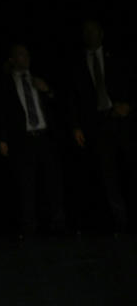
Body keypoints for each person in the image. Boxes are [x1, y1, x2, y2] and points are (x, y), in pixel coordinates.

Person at [0, 43, 66, 236]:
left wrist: (47, 90)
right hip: (23, 139)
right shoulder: (6, 83)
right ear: (12, 59)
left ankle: (57, 223)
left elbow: (59, 103)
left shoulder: (38, 78)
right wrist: (2, 138)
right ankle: (29, 227)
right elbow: (1, 112)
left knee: (52, 181)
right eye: (20, 55)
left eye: (26, 54)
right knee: (26, 184)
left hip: (44, 136)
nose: (24, 58)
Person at [69, 19, 135, 232]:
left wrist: (128, 105)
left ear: (101, 33)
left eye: (93, 30)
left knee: (130, 166)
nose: (89, 35)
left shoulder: (117, 56)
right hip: (97, 123)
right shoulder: (78, 62)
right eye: (85, 31)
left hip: (120, 119)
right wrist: (76, 125)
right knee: (108, 174)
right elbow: (73, 98)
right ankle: (120, 222)